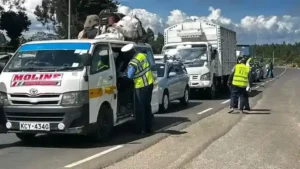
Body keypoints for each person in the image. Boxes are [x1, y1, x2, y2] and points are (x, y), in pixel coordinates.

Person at [121, 44, 154, 134]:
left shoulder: (133, 62)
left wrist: (122, 76)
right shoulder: (142, 55)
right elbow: (151, 65)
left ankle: (140, 129)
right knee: (147, 106)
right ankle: (149, 128)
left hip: (141, 86)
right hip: (150, 84)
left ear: (128, 54)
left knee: (139, 108)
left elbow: (129, 76)